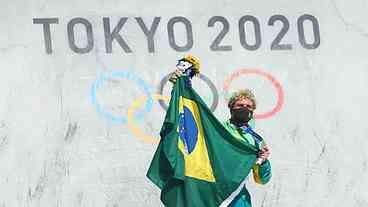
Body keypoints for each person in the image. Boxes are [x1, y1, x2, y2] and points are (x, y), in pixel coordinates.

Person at [169, 65, 272, 207]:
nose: (244, 108)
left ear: (253, 111)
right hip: (212, 195)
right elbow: (189, 123)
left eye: (249, 106)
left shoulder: (256, 140)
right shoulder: (218, 130)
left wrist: (264, 162)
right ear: (231, 108)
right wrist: (181, 87)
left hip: (238, 201)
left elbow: (261, 180)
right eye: (240, 105)